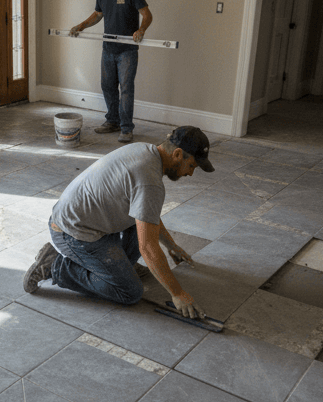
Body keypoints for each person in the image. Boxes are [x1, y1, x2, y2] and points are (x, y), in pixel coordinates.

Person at [24, 125, 213, 319]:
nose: (190, 174)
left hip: (85, 220)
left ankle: (120, 267)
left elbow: (148, 213)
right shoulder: (149, 181)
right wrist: (178, 294)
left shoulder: (145, 151)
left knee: (141, 226)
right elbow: (147, 247)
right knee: (129, 292)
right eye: (191, 166)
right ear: (178, 154)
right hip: (72, 233)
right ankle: (55, 265)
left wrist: (171, 245)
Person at [69, 0, 152, 143]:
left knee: (126, 89)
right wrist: (82, 25)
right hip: (108, 49)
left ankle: (126, 128)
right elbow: (98, 15)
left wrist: (141, 30)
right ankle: (112, 121)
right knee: (107, 86)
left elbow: (147, 15)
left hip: (127, 51)